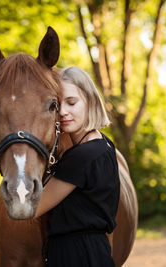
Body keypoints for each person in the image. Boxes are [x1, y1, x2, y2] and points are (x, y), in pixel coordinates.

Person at [34, 66, 120, 267]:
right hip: (97, 252)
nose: (63, 112)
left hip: (74, 256)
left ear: (89, 101)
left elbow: (33, 208)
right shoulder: (104, 143)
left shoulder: (81, 156)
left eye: (72, 102)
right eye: (57, 105)